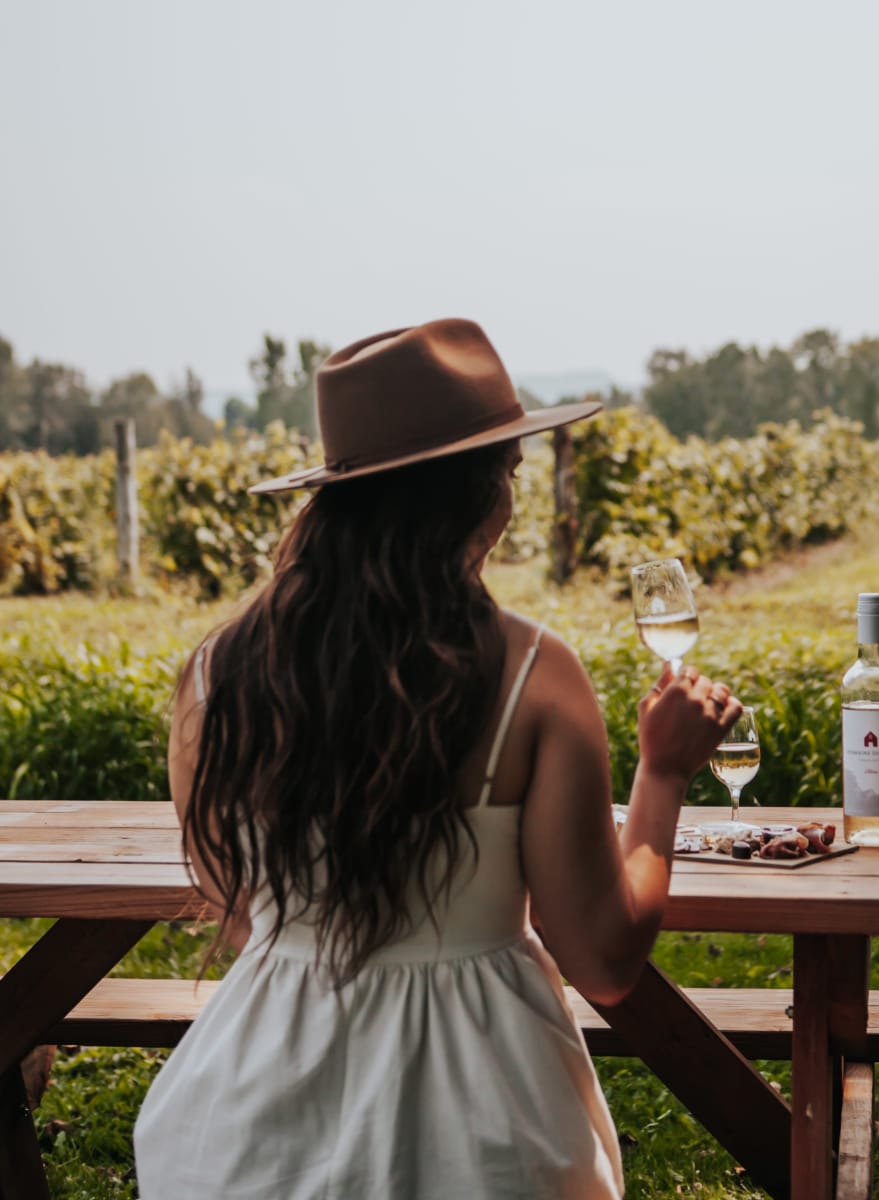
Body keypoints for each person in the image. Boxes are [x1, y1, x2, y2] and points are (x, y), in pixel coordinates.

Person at [133, 318, 743, 1199]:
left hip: (249, 1121)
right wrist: (664, 772)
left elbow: (241, 917)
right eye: (510, 470)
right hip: (484, 1120)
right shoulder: (534, 676)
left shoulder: (211, 680)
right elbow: (607, 962)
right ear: (481, 495)